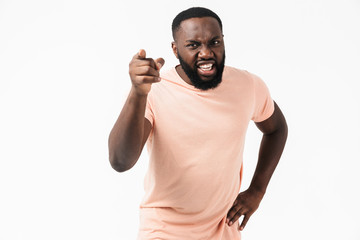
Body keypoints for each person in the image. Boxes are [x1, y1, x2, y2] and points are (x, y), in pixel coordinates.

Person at [108, 7, 288, 240]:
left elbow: (276, 129)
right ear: (175, 49)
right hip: (163, 231)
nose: (206, 53)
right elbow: (120, 161)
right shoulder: (154, 91)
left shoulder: (247, 85)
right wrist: (138, 93)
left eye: (214, 42)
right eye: (193, 45)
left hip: (222, 230)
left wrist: (257, 191)